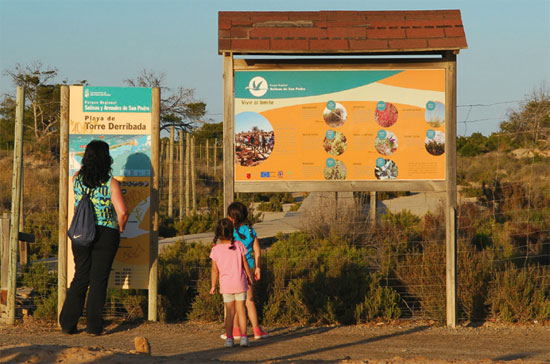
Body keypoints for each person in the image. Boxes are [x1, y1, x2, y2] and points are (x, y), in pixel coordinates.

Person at [60, 140, 129, 336]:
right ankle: (93, 327)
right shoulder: (110, 183)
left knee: (80, 277)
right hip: (105, 234)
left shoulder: (76, 179)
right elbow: (122, 211)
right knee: (98, 280)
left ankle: (67, 324)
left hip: (81, 233)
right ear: (106, 158)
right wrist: (121, 227)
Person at [223, 201, 269, 340]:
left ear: (232, 218)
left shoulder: (230, 232)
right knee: (249, 300)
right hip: (248, 266)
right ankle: (256, 330)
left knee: (234, 302)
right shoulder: (250, 230)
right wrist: (257, 267)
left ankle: (236, 330)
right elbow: (257, 250)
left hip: (233, 269)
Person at [209, 218, 254, 348]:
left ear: (217, 233)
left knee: (229, 313)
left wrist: (213, 285)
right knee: (241, 311)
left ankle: (229, 339)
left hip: (226, 285)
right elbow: (245, 263)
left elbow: (214, 270)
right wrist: (249, 277)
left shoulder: (215, 250)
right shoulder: (239, 245)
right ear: (232, 232)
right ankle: (244, 338)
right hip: (240, 283)